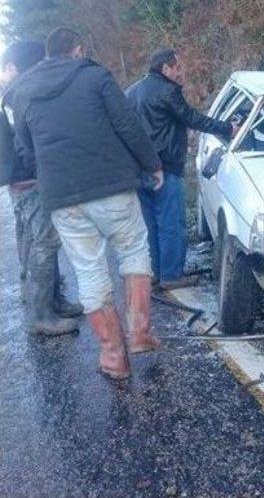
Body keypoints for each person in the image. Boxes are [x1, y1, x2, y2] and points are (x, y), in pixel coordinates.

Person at [12, 27, 164, 379]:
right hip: (111, 186)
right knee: (132, 251)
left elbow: (25, 143)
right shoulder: (95, 76)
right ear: (77, 49)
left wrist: (49, 172)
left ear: (48, 53)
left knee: (89, 270)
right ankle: (139, 334)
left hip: (63, 197)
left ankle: (113, 356)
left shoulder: (24, 91)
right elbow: (127, 124)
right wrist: (151, 164)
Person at [126, 49, 233, 289]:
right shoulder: (167, 91)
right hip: (164, 168)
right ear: (165, 69)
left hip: (138, 169)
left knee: (150, 223)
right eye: (177, 67)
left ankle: (155, 272)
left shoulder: (131, 92)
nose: (181, 72)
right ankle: (172, 276)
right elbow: (192, 118)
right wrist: (227, 128)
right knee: (171, 223)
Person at [0, 41, 81, 335]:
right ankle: (42, 313)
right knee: (45, 242)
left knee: (38, 240)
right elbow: (25, 145)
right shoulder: (17, 96)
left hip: (22, 181)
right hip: (29, 181)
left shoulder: (14, 94)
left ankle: (52, 301)